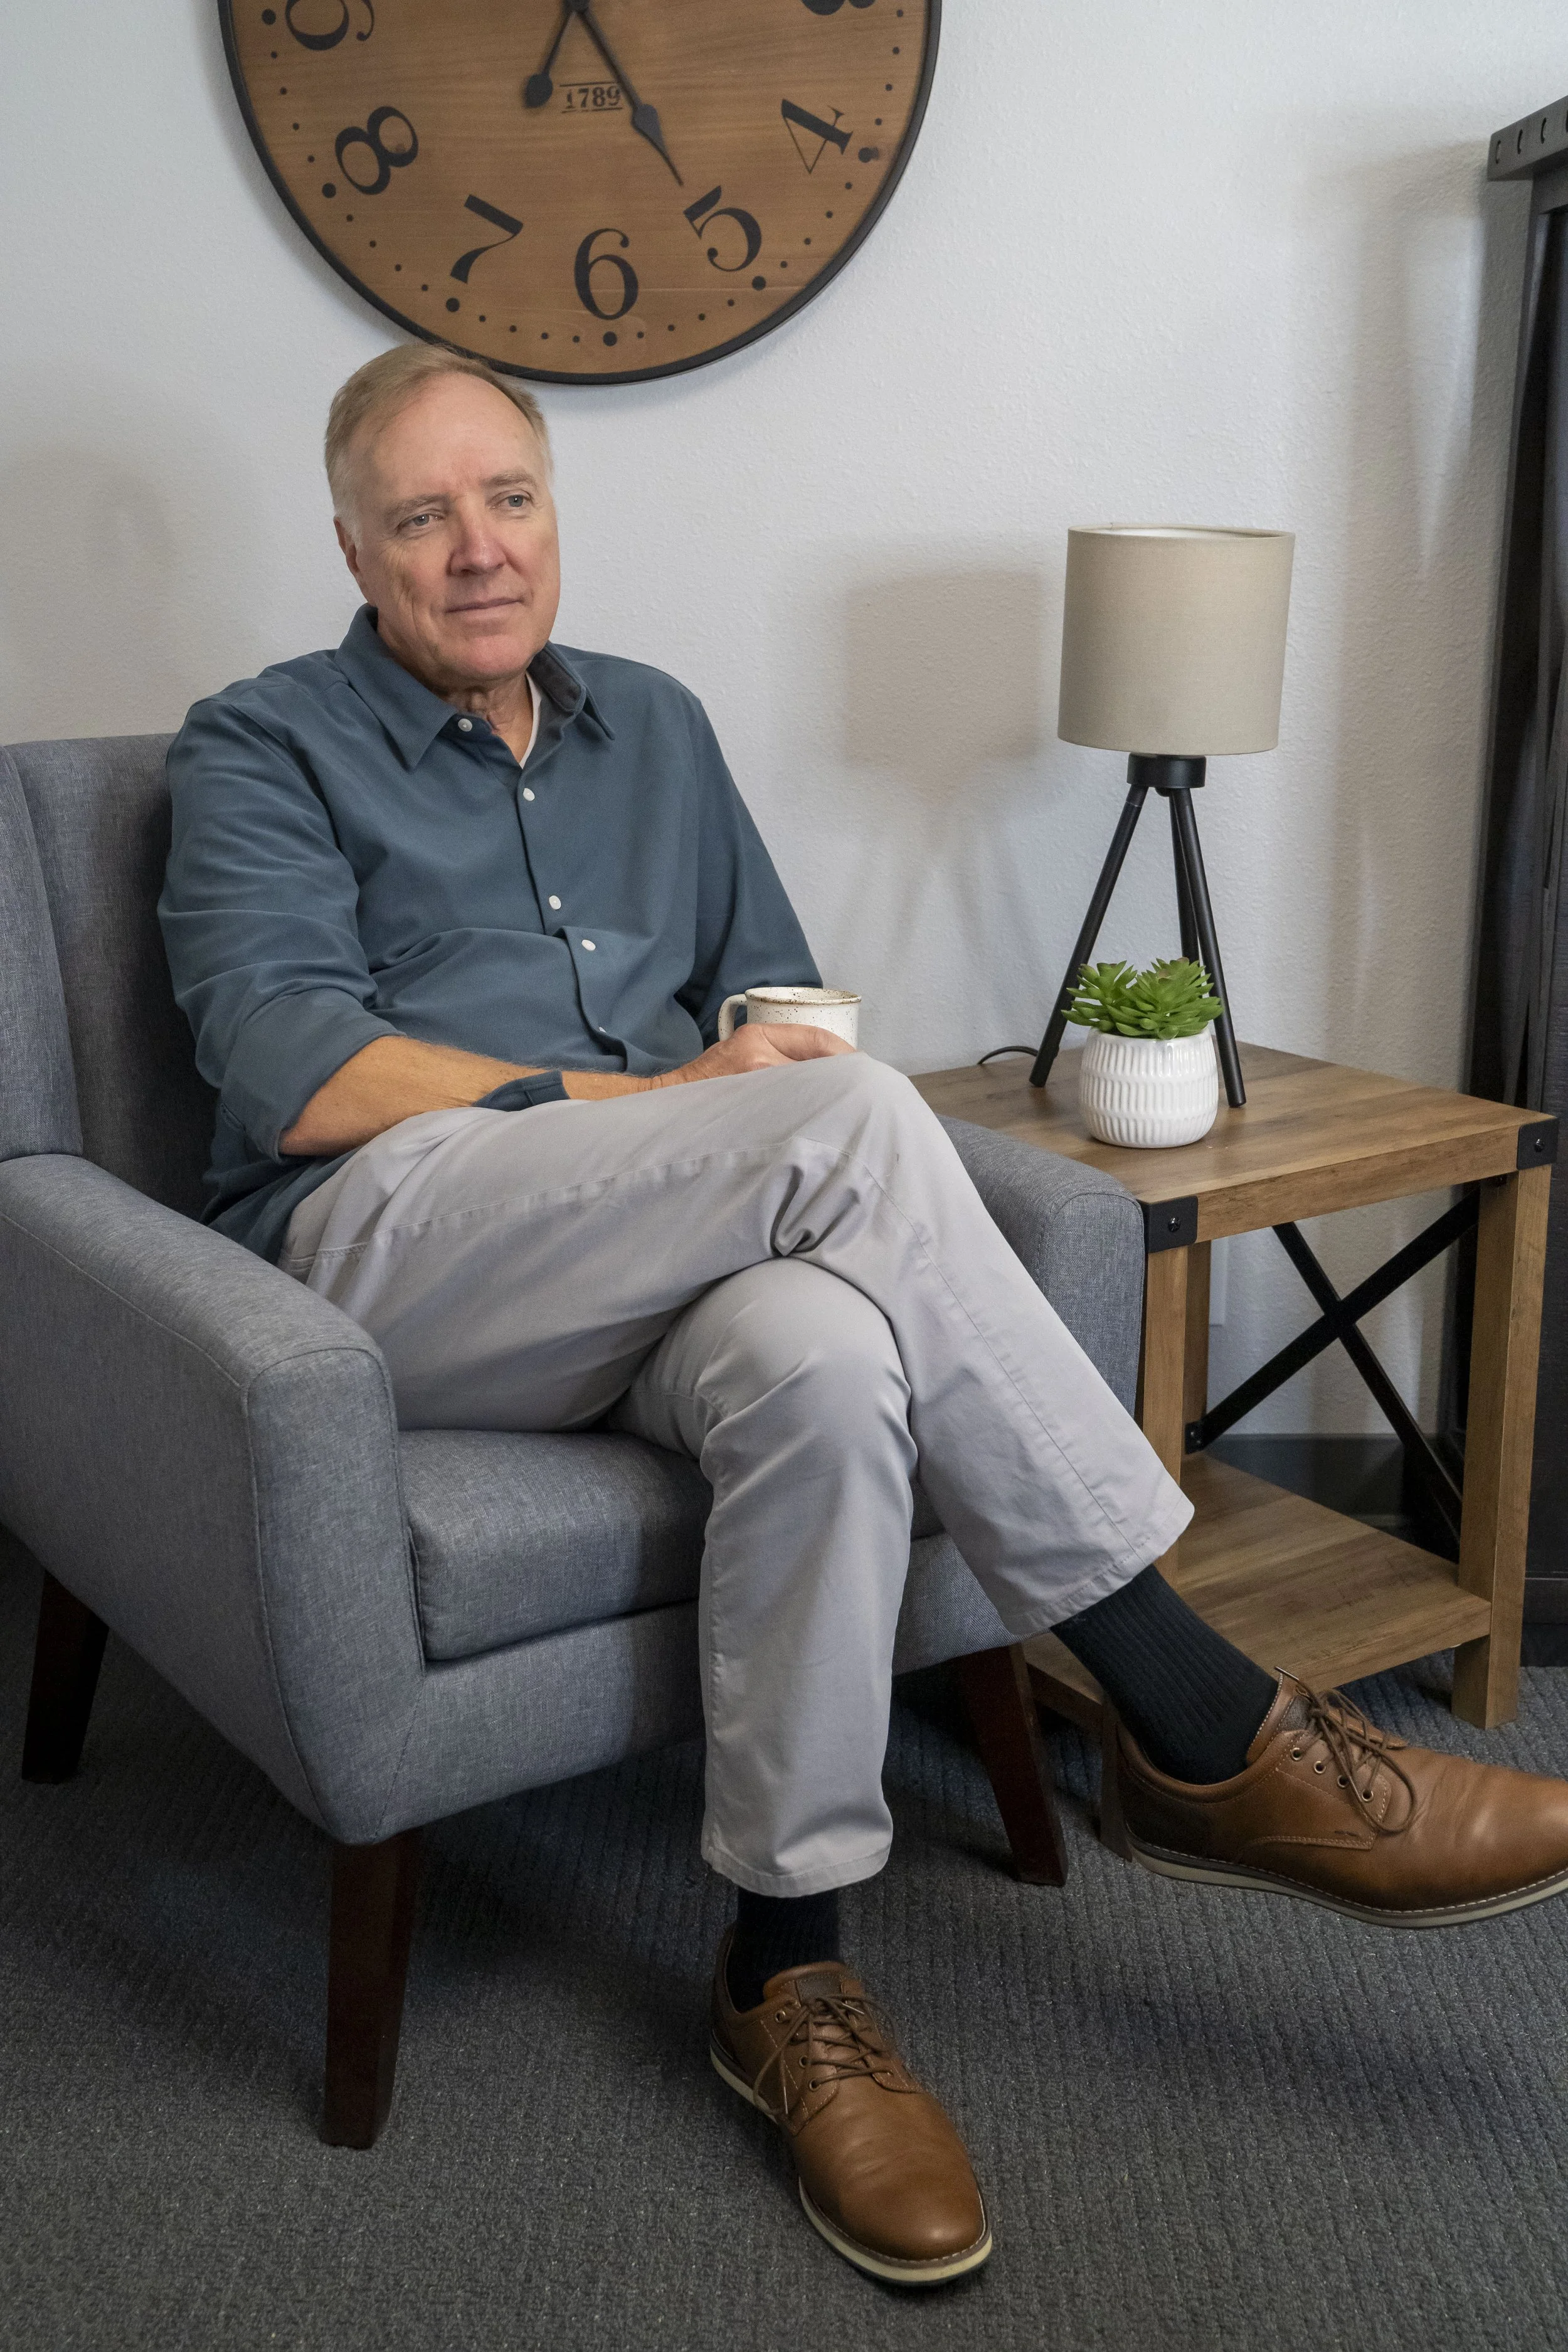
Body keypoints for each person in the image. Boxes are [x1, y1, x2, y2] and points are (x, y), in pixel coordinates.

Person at [160, 344, 1568, 2289]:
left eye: (510, 501)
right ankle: (1193, 1709)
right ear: (352, 543)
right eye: (422, 515)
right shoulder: (257, 743)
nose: (477, 549)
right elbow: (291, 1069)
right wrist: (666, 1108)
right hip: (396, 1250)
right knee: (838, 1126)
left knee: (824, 1360)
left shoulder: (652, 724)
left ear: (554, 518)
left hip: (670, 1247)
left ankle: (782, 1969)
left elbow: (780, 999)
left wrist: (751, 1064)